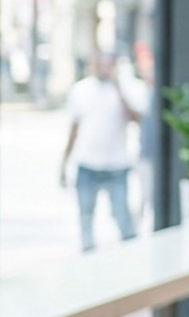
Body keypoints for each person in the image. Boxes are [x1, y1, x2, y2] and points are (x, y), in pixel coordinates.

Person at [60, 51, 145, 252]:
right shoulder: (81, 90)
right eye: (98, 64)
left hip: (117, 166)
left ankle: (132, 256)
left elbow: (136, 117)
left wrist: (118, 88)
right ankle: (88, 258)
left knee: (122, 216)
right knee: (86, 217)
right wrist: (64, 164)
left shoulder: (127, 88)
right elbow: (73, 129)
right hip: (87, 165)